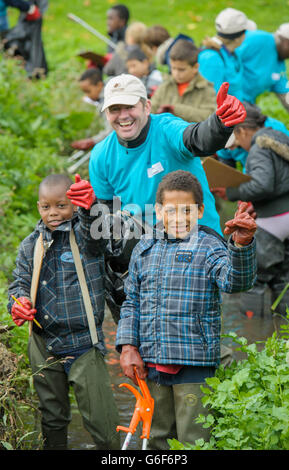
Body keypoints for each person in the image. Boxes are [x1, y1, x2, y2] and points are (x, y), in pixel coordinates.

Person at [115, 170, 257, 449]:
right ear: (158, 211)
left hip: (194, 366)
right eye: (170, 210)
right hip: (152, 365)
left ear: (201, 211)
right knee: (155, 438)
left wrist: (241, 245)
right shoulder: (144, 248)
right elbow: (131, 301)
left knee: (195, 440)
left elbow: (235, 282)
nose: (178, 217)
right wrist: (128, 346)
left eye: (186, 210)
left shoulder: (210, 246)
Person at [7, 174, 120, 450]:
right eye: (46, 207)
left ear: (73, 205)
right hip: (43, 343)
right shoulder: (30, 245)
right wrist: (17, 302)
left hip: (83, 343)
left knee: (102, 422)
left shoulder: (84, 237)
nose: (54, 213)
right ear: (38, 207)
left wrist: (90, 207)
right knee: (52, 417)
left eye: (61, 206)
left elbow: (96, 230)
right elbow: (19, 283)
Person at [88, 73, 246, 235]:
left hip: (199, 239)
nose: (123, 115)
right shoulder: (101, 155)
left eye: (130, 107)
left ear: (147, 107)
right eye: (115, 109)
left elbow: (196, 139)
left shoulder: (166, 128)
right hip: (148, 250)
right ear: (107, 114)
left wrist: (219, 124)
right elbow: (107, 212)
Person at [212, 104, 289, 317]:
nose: (237, 147)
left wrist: (232, 191)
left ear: (243, 130)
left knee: (253, 281)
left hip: (273, 220)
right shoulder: (279, 137)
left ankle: (251, 331)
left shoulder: (258, 148)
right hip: (286, 215)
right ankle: (282, 332)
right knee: (284, 278)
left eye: (236, 140)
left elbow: (263, 184)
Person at [151, 39, 216, 122]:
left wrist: (176, 109)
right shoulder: (165, 86)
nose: (176, 73)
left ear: (195, 68)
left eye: (181, 70)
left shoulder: (206, 89)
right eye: (173, 68)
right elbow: (151, 109)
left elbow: (208, 116)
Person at [198, 7, 252, 101]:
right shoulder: (211, 58)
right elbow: (211, 99)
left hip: (237, 109)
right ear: (237, 38)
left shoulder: (233, 52)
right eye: (245, 32)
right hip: (224, 113)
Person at [237, 23, 289, 111]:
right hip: (222, 99)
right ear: (284, 40)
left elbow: (285, 95)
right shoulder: (258, 39)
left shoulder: (279, 65)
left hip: (245, 106)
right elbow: (227, 55)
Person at [70, 68, 111, 151]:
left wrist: (93, 141)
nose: (87, 96)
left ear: (99, 85)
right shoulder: (110, 84)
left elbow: (112, 131)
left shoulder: (108, 102)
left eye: (88, 91)